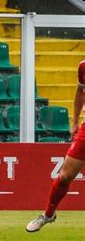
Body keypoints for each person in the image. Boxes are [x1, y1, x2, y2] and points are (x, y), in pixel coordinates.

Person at [26, 60, 85, 232]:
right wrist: (74, 122)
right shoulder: (83, 66)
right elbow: (81, 91)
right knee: (66, 175)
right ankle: (48, 214)